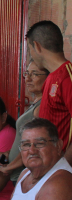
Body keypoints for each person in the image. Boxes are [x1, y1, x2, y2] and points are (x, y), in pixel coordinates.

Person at [26, 20, 72, 164]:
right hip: (46, 165)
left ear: (37, 47)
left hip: (59, 167)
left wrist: (64, 167)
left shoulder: (68, 77)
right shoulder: (51, 77)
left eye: (30, 49)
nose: (31, 55)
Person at [0, 61, 49, 183]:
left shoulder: (41, 107)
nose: (28, 79)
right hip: (19, 173)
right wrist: (10, 153)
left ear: (48, 78)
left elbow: (35, 145)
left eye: (35, 74)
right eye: (27, 73)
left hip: (25, 173)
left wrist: (10, 166)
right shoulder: (36, 104)